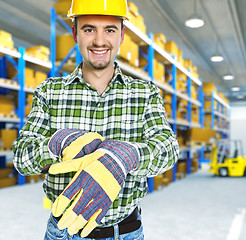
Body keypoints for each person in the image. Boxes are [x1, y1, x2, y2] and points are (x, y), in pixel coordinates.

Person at [12, 0, 179, 239]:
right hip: (64, 232)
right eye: (89, 29)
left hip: (126, 232)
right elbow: (21, 157)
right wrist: (55, 144)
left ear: (122, 35)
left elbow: (168, 150)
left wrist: (126, 156)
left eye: (109, 30)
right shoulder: (49, 92)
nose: (99, 41)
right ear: (75, 33)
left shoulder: (145, 93)